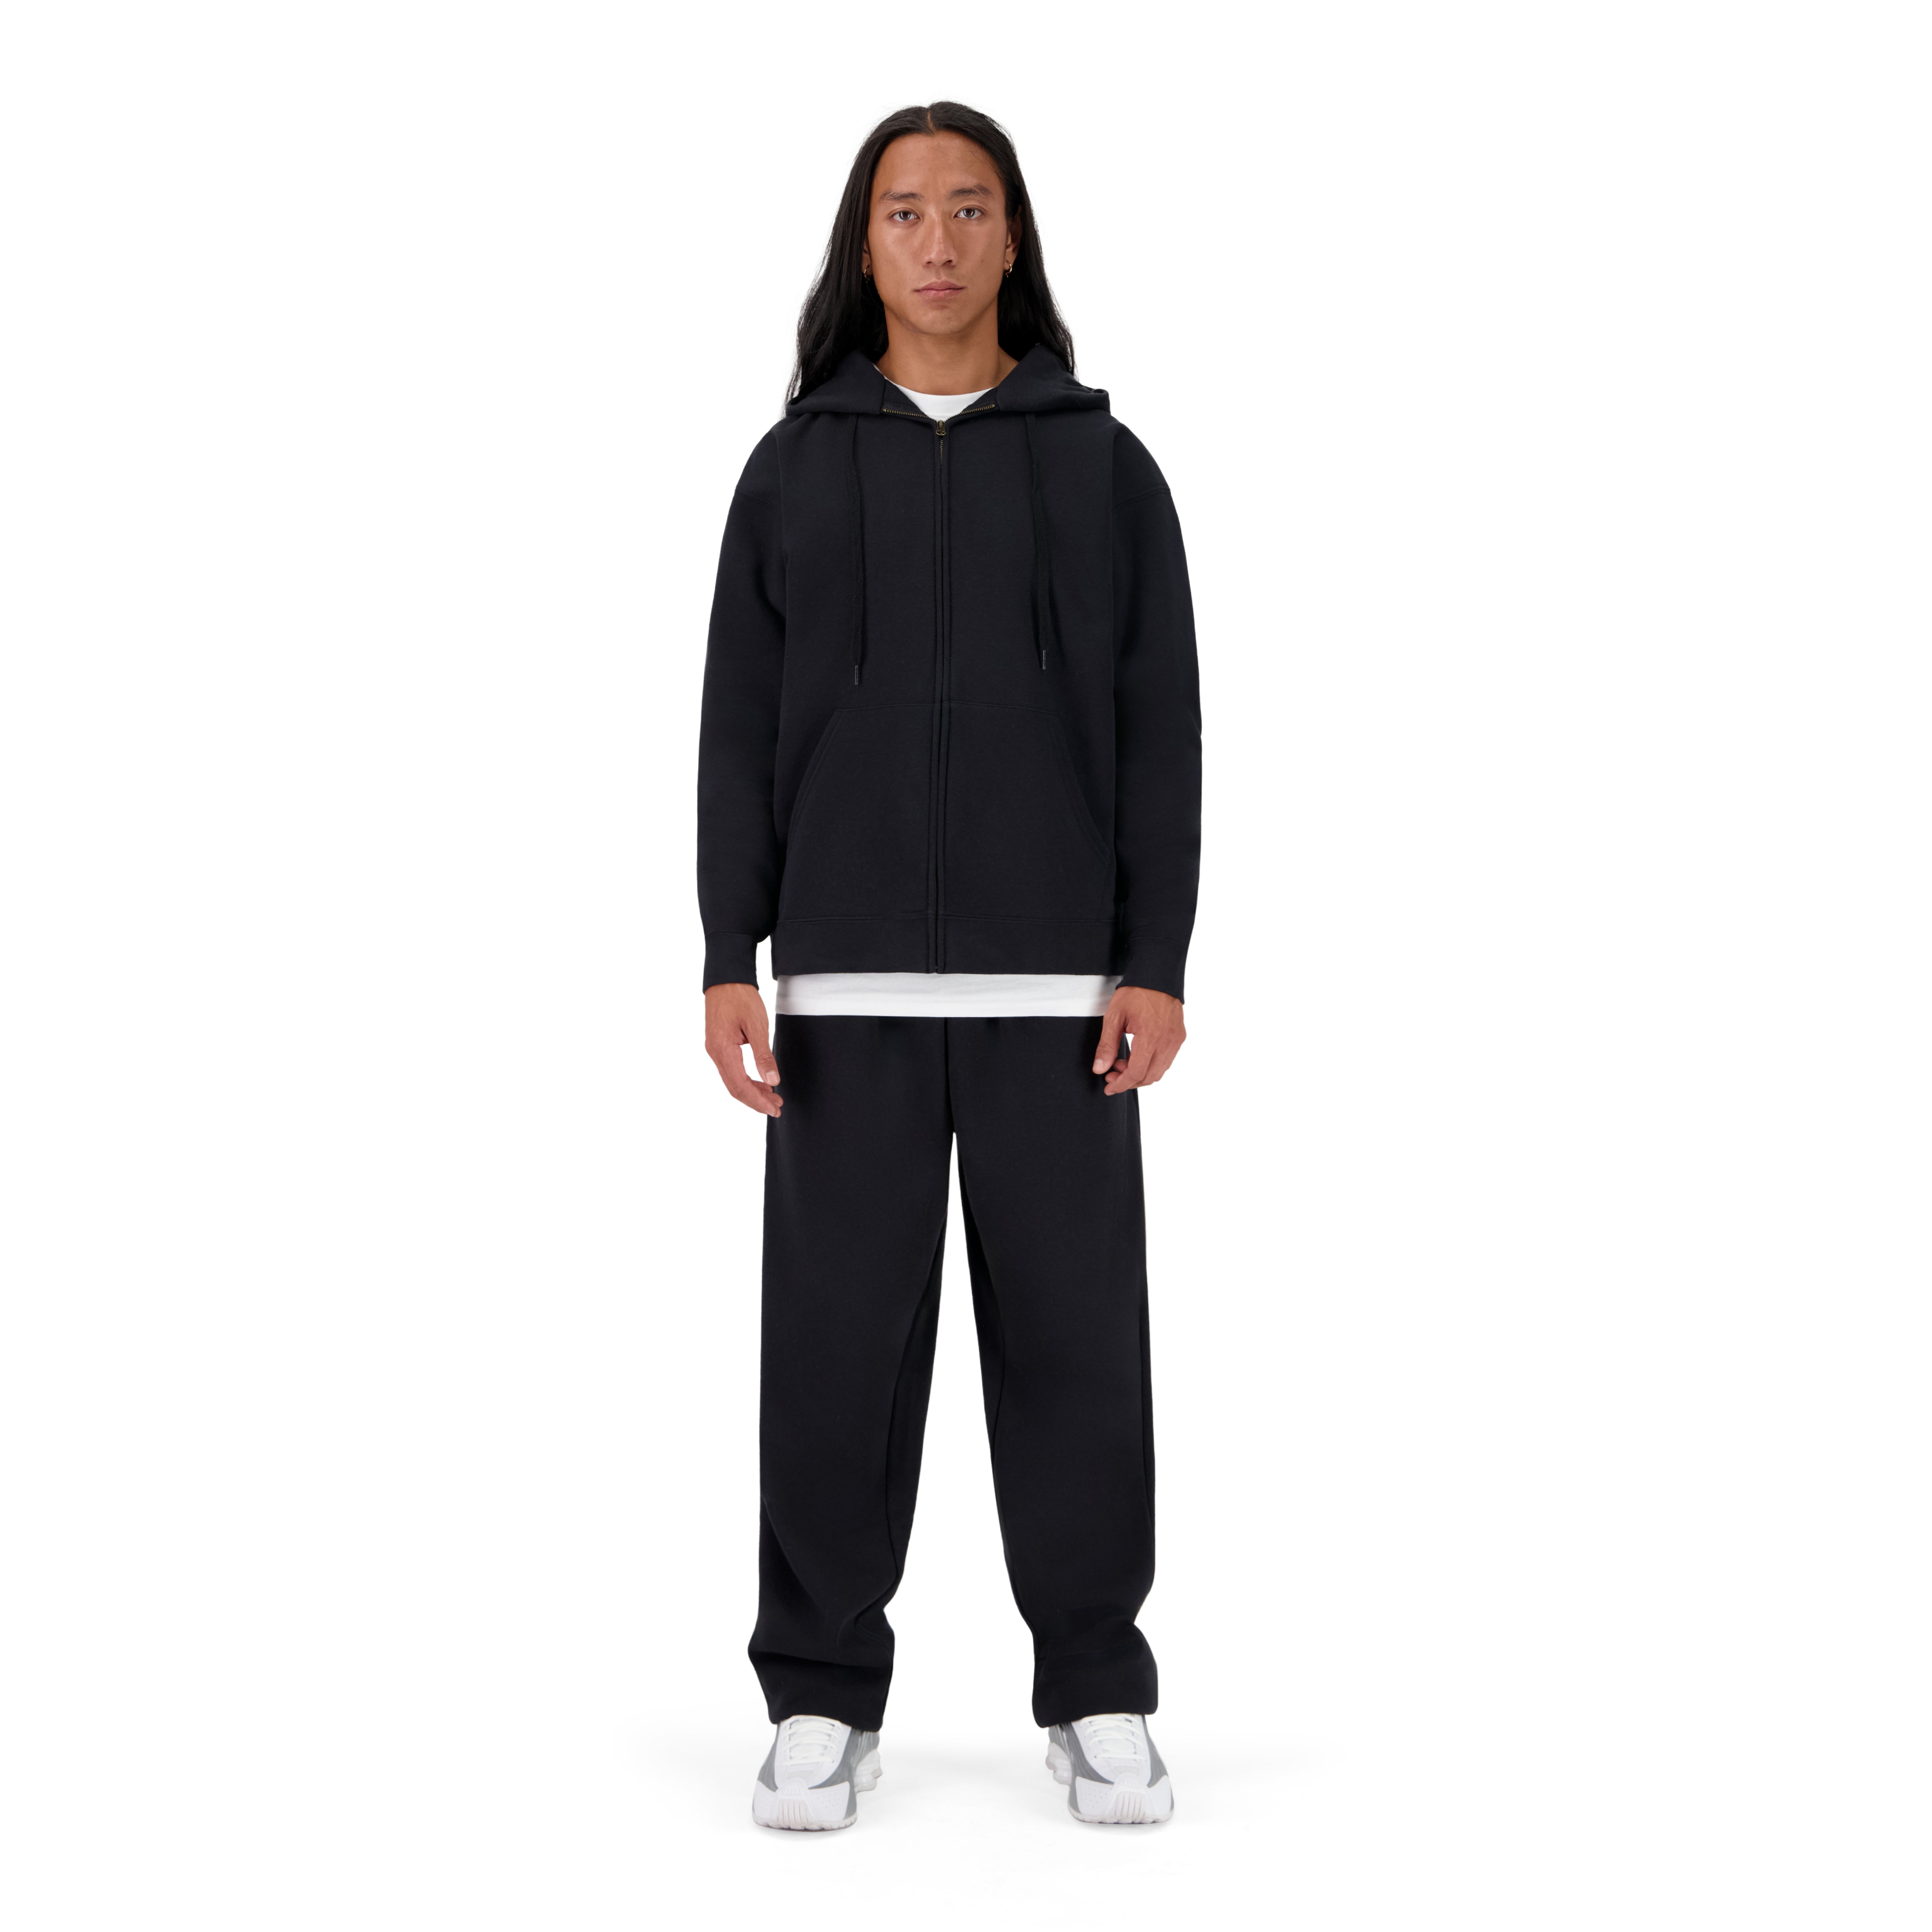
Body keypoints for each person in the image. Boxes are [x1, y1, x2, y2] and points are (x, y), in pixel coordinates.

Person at [696, 101, 1201, 1830]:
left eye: (967, 208)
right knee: (835, 1357)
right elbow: (736, 729)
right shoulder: (790, 469)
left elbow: (1158, 728)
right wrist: (728, 951)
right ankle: (819, 1692)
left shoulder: (1106, 470)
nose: (936, 240)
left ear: (1011, 236)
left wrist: (1152, 958)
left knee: (1077, 1353)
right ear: (866, 241)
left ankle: (1099, 1686)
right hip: (842, 998)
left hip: (1058, 1002)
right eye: (905, 210)